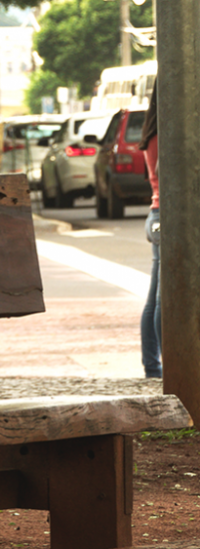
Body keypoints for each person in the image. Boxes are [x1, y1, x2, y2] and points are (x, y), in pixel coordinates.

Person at [139, 78, 160, 379]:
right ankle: (173, 369)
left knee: (155, 296)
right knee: (163, 301)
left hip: (157, 215)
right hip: (167, 217)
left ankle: (153, 368)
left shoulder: (150, 132)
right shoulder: (164, 134)